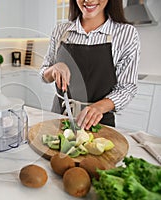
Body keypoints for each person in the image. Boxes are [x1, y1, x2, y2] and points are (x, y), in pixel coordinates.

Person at [40, 0, 140, 130]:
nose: (88, 0)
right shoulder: (60, 31)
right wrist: (53, 69)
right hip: (59, 117)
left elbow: (127, 88)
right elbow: (44, 75)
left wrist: (98, 107)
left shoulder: (126, 34)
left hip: (98, 122)